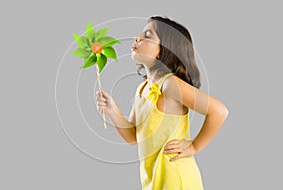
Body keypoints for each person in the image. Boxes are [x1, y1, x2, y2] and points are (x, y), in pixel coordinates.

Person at [96, 16, 229, 190]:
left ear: (164, 50)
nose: (137, 37)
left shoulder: (170, 84)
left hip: (175, 178)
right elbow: (133, 137)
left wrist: (195, 146)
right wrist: (112, 111)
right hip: (153, 180)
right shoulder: (142, 89)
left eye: (148, 35)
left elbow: (219, 111)